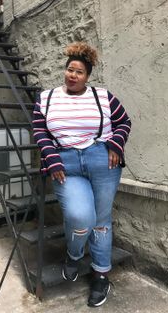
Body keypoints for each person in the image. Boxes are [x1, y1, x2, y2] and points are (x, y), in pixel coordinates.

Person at [32, 42, 131, 307]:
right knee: (79, 217)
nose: (72, 75)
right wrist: (51, 158)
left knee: (101, 220)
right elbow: (39, 130)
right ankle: (74, 255)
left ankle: (100, 274)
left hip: (102, 161)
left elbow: (124, 122)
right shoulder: (47, 98)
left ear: (88, 76)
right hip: (65, 164)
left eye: (79, 72)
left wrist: (116, 143)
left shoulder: (103, 97)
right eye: (69, 70)